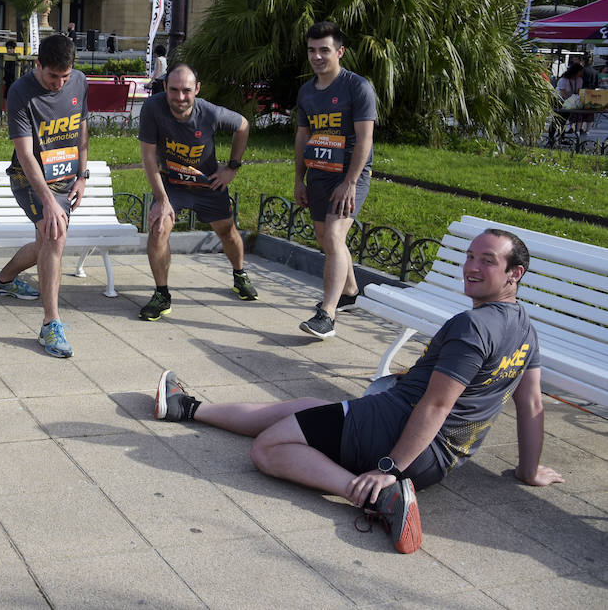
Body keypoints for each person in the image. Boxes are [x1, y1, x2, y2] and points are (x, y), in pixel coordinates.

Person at [151, 229, 563, 554]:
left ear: (515, 273)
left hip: (394, 436)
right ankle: (186, 408)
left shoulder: (473, 327)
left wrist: (389, 470)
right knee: (307, 408)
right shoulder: (526, 329)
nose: (471, 267)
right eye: (470, 257)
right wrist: (528, 471)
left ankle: (373, 497)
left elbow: (436, 405)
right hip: (438, 462)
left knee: (269, 448)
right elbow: (531, 405)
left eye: (487, 261)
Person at [0, 33, 88, 358]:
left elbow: (81, 128)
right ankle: (51, 324)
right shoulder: (21, 92)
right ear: (38, 65)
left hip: (64, 178)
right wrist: (47, 201)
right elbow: (26, 153)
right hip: (28, 178)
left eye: (65, 75)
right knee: (54, 237)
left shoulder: (79, 82)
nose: (59, 83)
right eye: (52, 76)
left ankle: (4, 280)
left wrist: (82, 175)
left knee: (47, 244)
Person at [138, 63, 257, 320]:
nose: (180, 97)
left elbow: (243, 125)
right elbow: (148, 158)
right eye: (174, 90)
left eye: (186, 91)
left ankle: (239, 274)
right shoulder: (152, 108)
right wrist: (161, 200)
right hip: (172, 184)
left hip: (207, 184)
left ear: (197, 89)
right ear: (165, 87)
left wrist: (232, 167)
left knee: (227, 231)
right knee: (158, 228)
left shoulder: (210, 113)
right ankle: (161, 294)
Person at [295, 20, 377, 340]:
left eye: (324, 50)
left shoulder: (357, 87)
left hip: (350, 176)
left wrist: (350, 182)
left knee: (333, 235)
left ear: (339, 52)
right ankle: (350, 292)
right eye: (312, 50)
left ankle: (327, 314)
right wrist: (299, 180)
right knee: (328, 240)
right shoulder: (306, 91)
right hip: (317, 173)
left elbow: (365, 139)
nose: (317, 56)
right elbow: (303, 137)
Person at [556, 62, 591, 135]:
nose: (581, 73)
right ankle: (551, 137)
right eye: (580, 72)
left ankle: (561, 137)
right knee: (557, 119)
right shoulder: (564, 79)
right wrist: (570, 101)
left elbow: (578, 91)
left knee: (564, 120)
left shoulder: (579, 80)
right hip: (560, 100)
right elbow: (563, 91)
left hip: (570, 102)